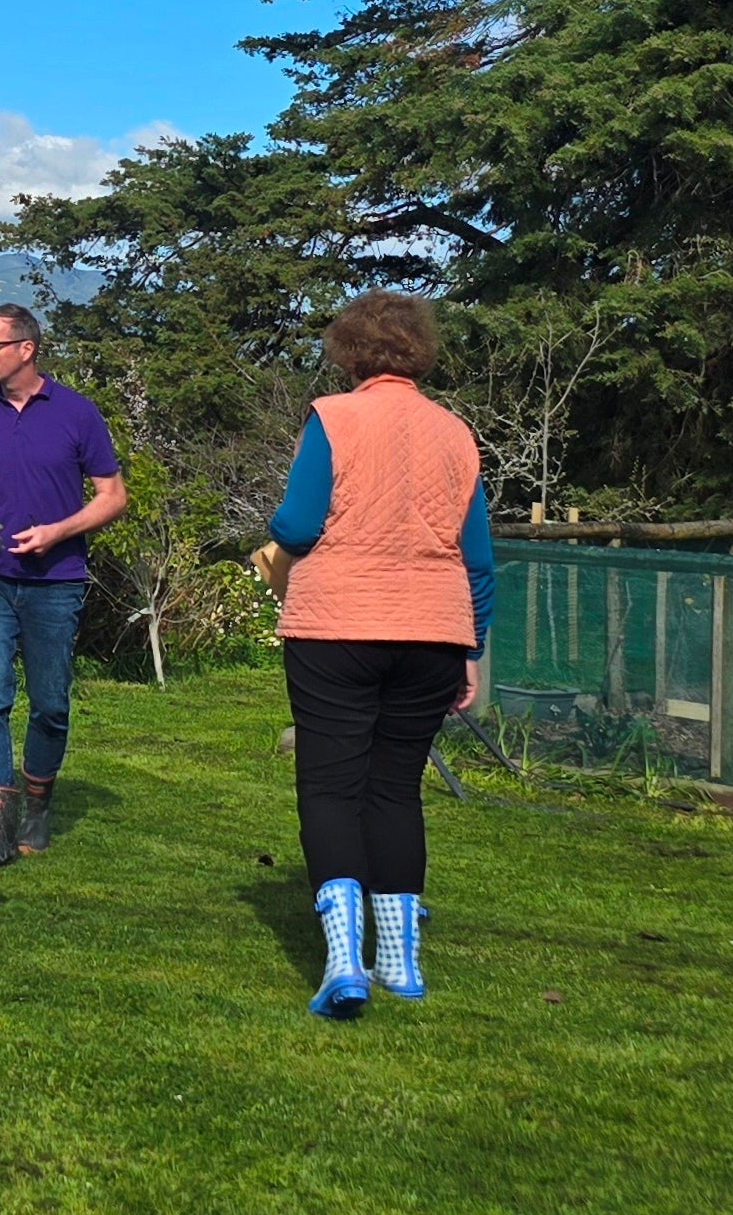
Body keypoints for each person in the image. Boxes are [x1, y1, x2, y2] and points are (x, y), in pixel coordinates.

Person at [251, 292, 495, 1020]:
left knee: (330, 786)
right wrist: (471, 649)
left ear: (349, 351)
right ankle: (401, 960)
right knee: (396, 788)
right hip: (435, 628)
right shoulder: (456, 432)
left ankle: (343, 961)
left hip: (339, 623)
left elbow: (296, 520)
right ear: (420, 352)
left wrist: (279, 545)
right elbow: (477, 556)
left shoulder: (335, 417)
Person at [0, 304, 124, 870]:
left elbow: (113, 496)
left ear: (27, 348)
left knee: (50, 704)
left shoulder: (77, 413)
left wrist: (58, 532)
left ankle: (38, 807)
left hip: (57, 583)